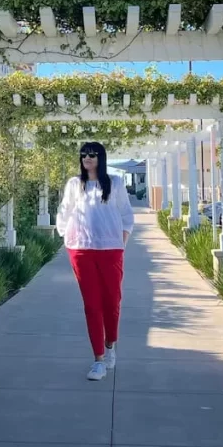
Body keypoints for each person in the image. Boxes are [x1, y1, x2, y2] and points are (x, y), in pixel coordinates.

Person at [55, 141, 135, 381]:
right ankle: (98, 359)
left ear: (101, 157)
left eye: (92, 154)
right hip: (81, 250)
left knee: (112, 301)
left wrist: (120, 242)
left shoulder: (115, 183)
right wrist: (66, 238)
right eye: (83, 155)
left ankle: (110, 345)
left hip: (111, 250)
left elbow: (126, 215)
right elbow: (64, 212)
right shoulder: (74, 184)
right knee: (91, 304)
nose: (87, 158)